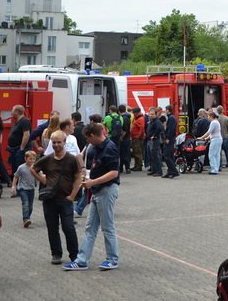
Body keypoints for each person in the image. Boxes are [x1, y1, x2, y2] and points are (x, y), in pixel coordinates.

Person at [64, 122, 121, 271]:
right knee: (90, 228)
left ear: (94, 136)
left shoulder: (110, 148)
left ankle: (112, 259)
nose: (87, 142)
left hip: (106, 190)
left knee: (107, 227)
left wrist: (92, 182)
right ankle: (82, 260)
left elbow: (114, 173)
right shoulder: (94, 147)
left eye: (88, 139)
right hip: (97, 191)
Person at [32, 130, 83, 265]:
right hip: (49, 199)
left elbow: (79, 177)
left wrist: (72, 195)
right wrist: (43, 181)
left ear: (64, 143)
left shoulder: (72, 159)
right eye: (53, 142)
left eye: (59, 142)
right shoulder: (47, 159)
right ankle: (56, 254)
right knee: (52, 227)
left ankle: (74, 255)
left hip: (66, 199)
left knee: (68, 227)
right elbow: (33, 169)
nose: (56, 145)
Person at [11, 150, 39, 227]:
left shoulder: (35, 167)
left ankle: (28, 218)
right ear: (25, 158)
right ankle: (26, 219)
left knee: (30, 206)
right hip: (23, 189)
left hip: (31, 189)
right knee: (25, 204)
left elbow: (40, 175)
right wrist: (13, 186)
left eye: (34, 159)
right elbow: (16, 177)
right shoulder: (21, 167)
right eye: (30, 159)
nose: (32, 160)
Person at [7, 105, 32, 176]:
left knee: (20, 167)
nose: (11, 112)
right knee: (14, 168)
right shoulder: (16, 122)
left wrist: (22, 148)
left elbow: (26, 135)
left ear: (17, 112)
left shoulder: (25, 121)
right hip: (14, 149)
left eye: (12, 110)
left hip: (20, 150)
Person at [203, 108, 224, 175]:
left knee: (211, 154)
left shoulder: (213, 122)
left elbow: (209, 132)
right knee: (217, 155)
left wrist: (201, 137)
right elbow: (213, 132)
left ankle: (213, 169)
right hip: (219, 139)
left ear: (211, 116)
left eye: (208, 116)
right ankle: (216, 168)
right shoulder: (216, 122)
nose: (208, 118)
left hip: (215, 140)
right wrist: (207, 138)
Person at [129, 107, 145, 171]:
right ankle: (136, 165)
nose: (134, 114)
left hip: (137, 138)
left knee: (138, 152)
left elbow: (141, 129)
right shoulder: (138, 118)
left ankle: (139, 166)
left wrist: (138, 136)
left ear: (138, 113)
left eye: (134, 113)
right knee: (135, 152)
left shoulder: (140, 119)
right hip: (135, 138)